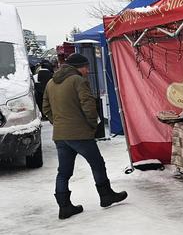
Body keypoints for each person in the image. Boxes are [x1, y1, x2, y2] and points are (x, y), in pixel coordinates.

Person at [42, 52, 127, 219]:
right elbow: (88, 106)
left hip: (60, 135)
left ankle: (64, 207)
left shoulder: (51, 83)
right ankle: (106, 196)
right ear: (78, 67)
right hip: (79, 133)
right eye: (86, 67)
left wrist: (58, 123)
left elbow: (45, 108)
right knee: (97, 164)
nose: (87, 70)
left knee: (64, 172)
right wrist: (92, 125)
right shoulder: (78, 81)